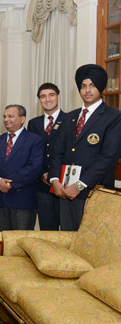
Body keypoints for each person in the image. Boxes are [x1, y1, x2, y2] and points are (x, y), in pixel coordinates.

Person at [50, 64, 121, 231]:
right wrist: (55, 180)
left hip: (94, 192)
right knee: (68, 238)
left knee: (90, 244)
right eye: (83, 86)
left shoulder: (114, 117)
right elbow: (57, 152)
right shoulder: (70, 117)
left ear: (101, 87)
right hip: (65, 190)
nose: (87, 90)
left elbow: (108, 158)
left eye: (92, 85)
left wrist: (80, 185)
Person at [0, 105, 44, 231]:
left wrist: (10, 183)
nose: (6, 119)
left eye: (10, 116)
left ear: (22, 119)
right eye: (4, 116)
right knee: (1, 239)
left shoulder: (35, 140)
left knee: (21, 240)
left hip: (23, 198)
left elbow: (34, 167)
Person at [27, 83, 66, 230]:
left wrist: (54, 174)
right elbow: (32, 153)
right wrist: (42, 173)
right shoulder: (33, 123)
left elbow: (70, 152)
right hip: (42, 184)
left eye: (51, 95)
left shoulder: (70, 119)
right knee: (47, 229)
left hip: (63, 183)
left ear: (58, 97)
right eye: (43, 96)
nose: (47, 99)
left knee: (68, 230)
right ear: (39, 100)